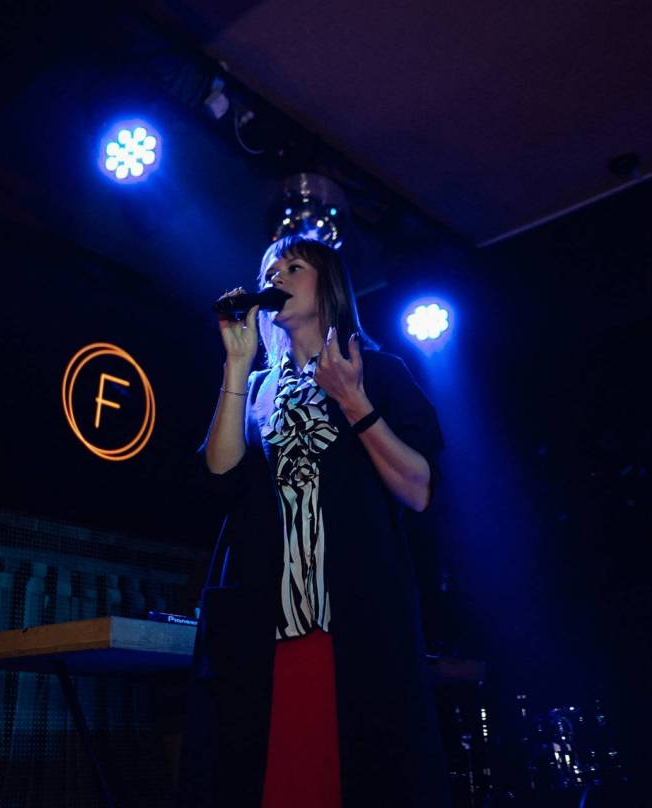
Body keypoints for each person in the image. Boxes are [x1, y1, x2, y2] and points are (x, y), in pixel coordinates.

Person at [176, 235, 452, 808]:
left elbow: (420, 489)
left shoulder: (377, 370)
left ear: (329, 286)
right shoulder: (257, 388)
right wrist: (237, 364)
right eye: (269, 269)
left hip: (354, 622)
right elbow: (220, 475)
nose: (275, 276)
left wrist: (354, 401)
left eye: (293, 266)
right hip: (264, 624)